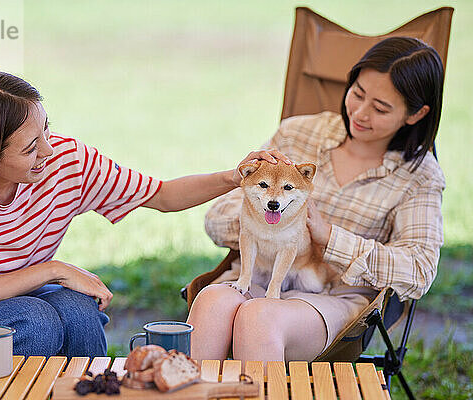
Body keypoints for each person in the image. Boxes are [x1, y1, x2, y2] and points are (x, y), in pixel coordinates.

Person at [0, 70, 284, 357]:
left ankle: (90, 391)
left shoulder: (67, 161)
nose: (49, 153)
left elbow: (162, 195)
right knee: (37, 322)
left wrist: (235, 177)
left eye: (46, 131)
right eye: (30, 148)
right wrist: (52, 269)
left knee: (77, 311)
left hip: (15, 293)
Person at [187, 37, 445, 363]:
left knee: (259, 318)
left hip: (335, 292)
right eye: (357, 94)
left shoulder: (419, 177)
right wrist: (267, 217)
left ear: (415, 114)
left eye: (380, 108)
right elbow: (217, 217)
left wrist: (329, 238)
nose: (361, 114)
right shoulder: (299, 134)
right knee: (212, 304)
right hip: (259, 271)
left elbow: (420, 271)